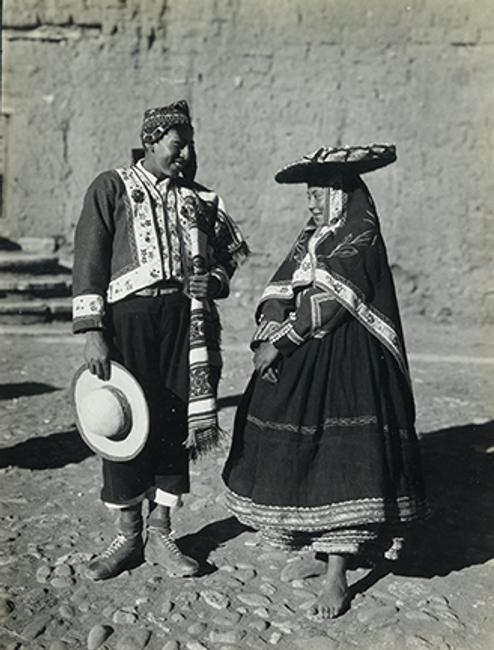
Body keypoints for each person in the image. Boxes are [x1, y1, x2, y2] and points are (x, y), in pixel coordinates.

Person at [222, 144, 428, 618]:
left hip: (349, 359)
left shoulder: (359, 232)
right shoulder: (315, 235)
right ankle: (319, 551)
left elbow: (332, 303)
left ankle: (338, 573)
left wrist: (283, 342)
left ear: (339, 193)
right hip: (306, 349)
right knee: (303, 446)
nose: (311, 204)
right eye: (309, 196)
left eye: (318, 194)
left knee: (341, 452)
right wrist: (267, 331)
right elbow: (283, 283)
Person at [72, 100, 248, 581]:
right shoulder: (112, 188)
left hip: (183, 321)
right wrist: (93, 332)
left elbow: (230, 255)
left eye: (189, 144)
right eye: (177, 144)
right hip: (127, 320)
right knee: (122, 422)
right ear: (151, 141)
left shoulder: (199, 198)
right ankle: (127, 536)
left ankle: (163, 532)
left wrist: (212, 281)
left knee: (174, 421)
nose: (186, 153)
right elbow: (89, 260)